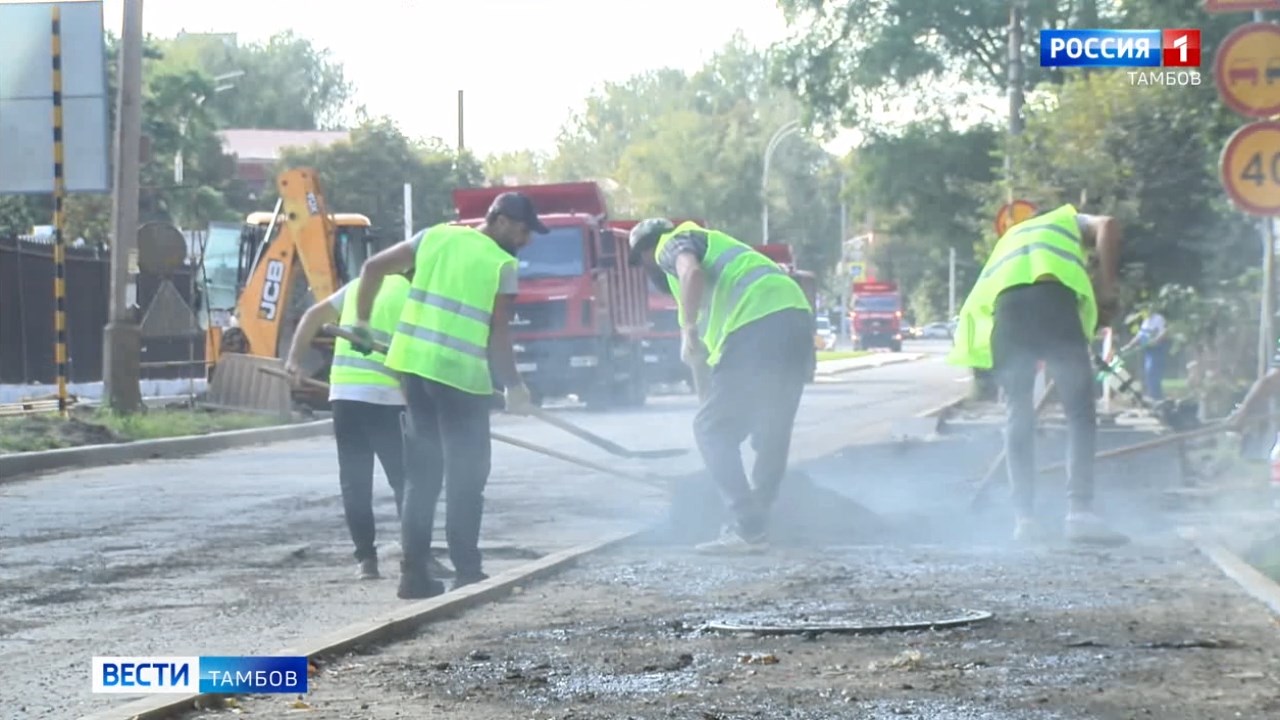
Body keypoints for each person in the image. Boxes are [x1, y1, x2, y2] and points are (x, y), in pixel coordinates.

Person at [352, 192, 543, 599]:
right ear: (502, 220)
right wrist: (514, 386)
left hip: (414, 372)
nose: (526, 240)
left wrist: (362, 324)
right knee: (466, 478)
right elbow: (498, 334)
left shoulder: (434, 237)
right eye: (525, 230)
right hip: (460, 380)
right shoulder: (502, 264)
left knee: (422, 478)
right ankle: (468, 572)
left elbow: (371, 268)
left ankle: (413, 576)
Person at [627, 218, 814, 555]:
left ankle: (748, 526)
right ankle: (765, 517)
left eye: (641, 262)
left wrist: (688, 330)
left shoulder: (672, 242)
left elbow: (692, 274)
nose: (646, 270)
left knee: (710, 428)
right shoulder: (718, 251)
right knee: (771, 428)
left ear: (645, 251)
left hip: (756, 321)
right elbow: (716, 369)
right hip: (796, 315)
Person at [949, 203, 1129, 545]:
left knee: (1018, 412)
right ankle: (1079, 515)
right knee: (1078, 411)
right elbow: (1108, 225)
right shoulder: (1066, 220)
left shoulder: (1011, 238)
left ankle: (1025, 520)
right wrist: (1106, 288)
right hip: (1052, 305)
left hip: (1008, 314)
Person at [284, 273, 428, 581]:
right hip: (386, 400)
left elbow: (312, 315)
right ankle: (415, 556)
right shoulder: (412, 295)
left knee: (355, 483)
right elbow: (415, 357)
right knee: (406, 481)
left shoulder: (361, 284)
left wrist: (294, 361)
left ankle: (366, 560)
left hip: (345, 398)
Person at [1120, 307, 1169, 401]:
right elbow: (1140, 336)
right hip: (1148, 350)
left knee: (1153, 372)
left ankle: (1156, 396)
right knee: (1148, 372)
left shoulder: (1158, 319)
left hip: (1158, 349)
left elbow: (1164, 331)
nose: (1144, 313)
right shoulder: (1145, 322)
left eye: (1145, 310)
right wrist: (1129, 345)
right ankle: (1153, 395)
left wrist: (1156, 340)